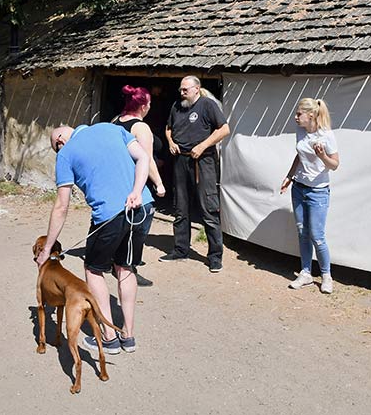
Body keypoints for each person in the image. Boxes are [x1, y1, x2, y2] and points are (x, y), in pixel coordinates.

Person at [36, 123, 154, 354]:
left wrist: (47, 249)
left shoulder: (66, 154)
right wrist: (137, 191)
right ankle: (128, 336)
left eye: (56, 148)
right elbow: (143, 158)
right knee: (125, 266)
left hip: (109, 216)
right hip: (143, 207)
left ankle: (109, 337)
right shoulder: (111, 128)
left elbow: (61, 206)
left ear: (60, 140)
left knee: (93, 269)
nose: (58, 152)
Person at [160, 75, 230, 272]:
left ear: (196, 89)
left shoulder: (207, 105)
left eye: (186, 90)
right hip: (180, 160)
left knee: (209, 207)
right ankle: (180, 249)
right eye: (181, 89)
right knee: (181, 207)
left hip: (203, 161)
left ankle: (215, 256)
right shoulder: (177, 106)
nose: (182, 93)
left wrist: (203, 145)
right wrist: (171, 142)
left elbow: (224, 129)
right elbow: (168, 128)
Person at [280, 98, 340, 294]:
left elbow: (335, 165)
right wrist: (289, 176)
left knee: (317, 236)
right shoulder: (300, 132)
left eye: (299, 114)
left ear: (311, 115)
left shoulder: (327, 136)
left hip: (318, 191)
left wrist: (322, 156)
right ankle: (305, 273)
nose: (296, 117)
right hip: (299, 188)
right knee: (302, 232)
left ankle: (326, 276)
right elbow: (300, 155)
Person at [112, 84, 166, 286]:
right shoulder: (140, 127)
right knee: (139, 227)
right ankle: (128, 267)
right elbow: (147, 159)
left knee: (121, 222)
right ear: (143, 106)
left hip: (119, 181)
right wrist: (159, 183)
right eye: (149, 103)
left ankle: (117, 259)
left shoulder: (115, 120)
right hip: (137, 182)